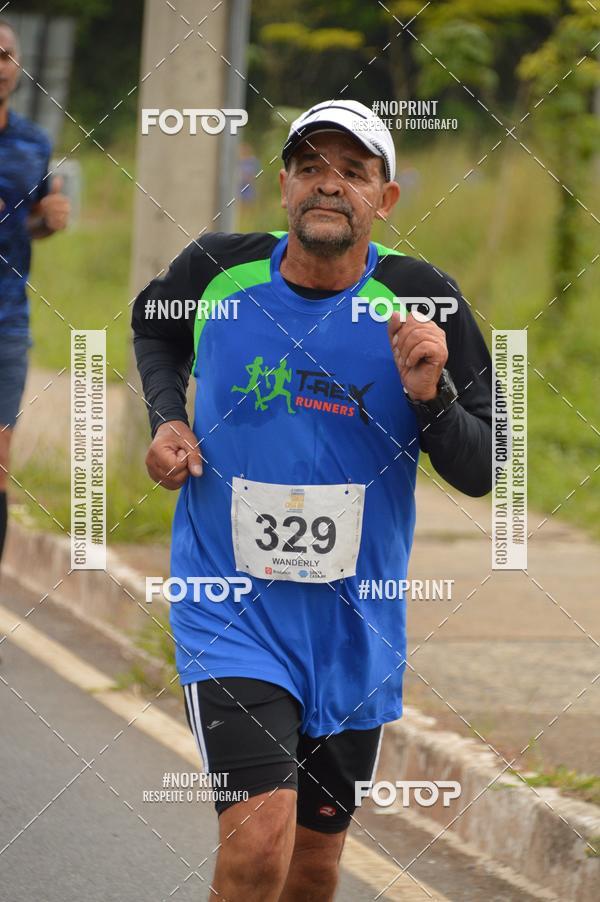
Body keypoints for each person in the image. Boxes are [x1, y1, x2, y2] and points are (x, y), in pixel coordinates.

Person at [132, 99, 492, 901]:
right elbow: (153, 327)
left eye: (354, 173)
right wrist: (168, 417)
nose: (330, 187)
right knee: (259, 844)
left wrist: (431, 395)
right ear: (281, 184)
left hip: (354, 625)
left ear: (385, 198)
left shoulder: (424, 300)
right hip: (232, 612)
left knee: (314, 865)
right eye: (310, 168)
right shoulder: (214, 269)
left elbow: (484, 466)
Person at [0, 19, 70, 562]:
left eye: (4, 53)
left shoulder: (33, 144)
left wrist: (47, 219)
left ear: (16, 69)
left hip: (7, 320)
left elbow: (30, 227)